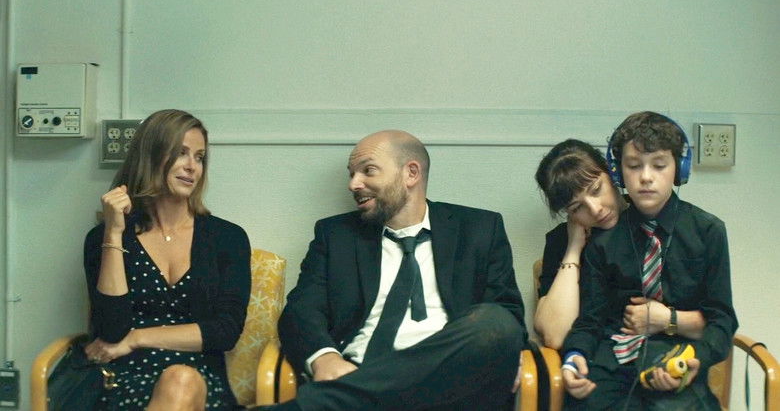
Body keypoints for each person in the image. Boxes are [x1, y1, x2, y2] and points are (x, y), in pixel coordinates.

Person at [250, 130, 526, 411]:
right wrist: (324, 358)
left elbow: (506, 315)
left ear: (411, 173)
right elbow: (301, 311)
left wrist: (502, 347)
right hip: (357, 371)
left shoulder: (479, 228)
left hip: (451, 385)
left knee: (496, 322)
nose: (354, 184)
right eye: (351, 174)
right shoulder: (336, 235)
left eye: (368, 170)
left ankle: (325, 404)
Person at [561, 112, 738, 410]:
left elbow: (722, 319)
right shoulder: (603, 241)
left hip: (676, 357)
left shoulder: (708, 231)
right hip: (613, 362)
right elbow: (590, 321)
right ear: (618, 173)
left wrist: (697, 358)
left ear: (679, 169)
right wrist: (573, 355)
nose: (645, 176)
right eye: (633, 166)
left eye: (659, 165)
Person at [83, 109, 251, 410]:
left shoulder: (228, 238)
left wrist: (137, 338)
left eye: (199, 157)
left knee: (180, 381)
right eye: (180, 153)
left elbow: (225, 332)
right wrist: (114, 233)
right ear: (150, 156)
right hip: (122, 378)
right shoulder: (103, 238)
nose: (192, 167)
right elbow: (111, 330)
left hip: (200, 379)